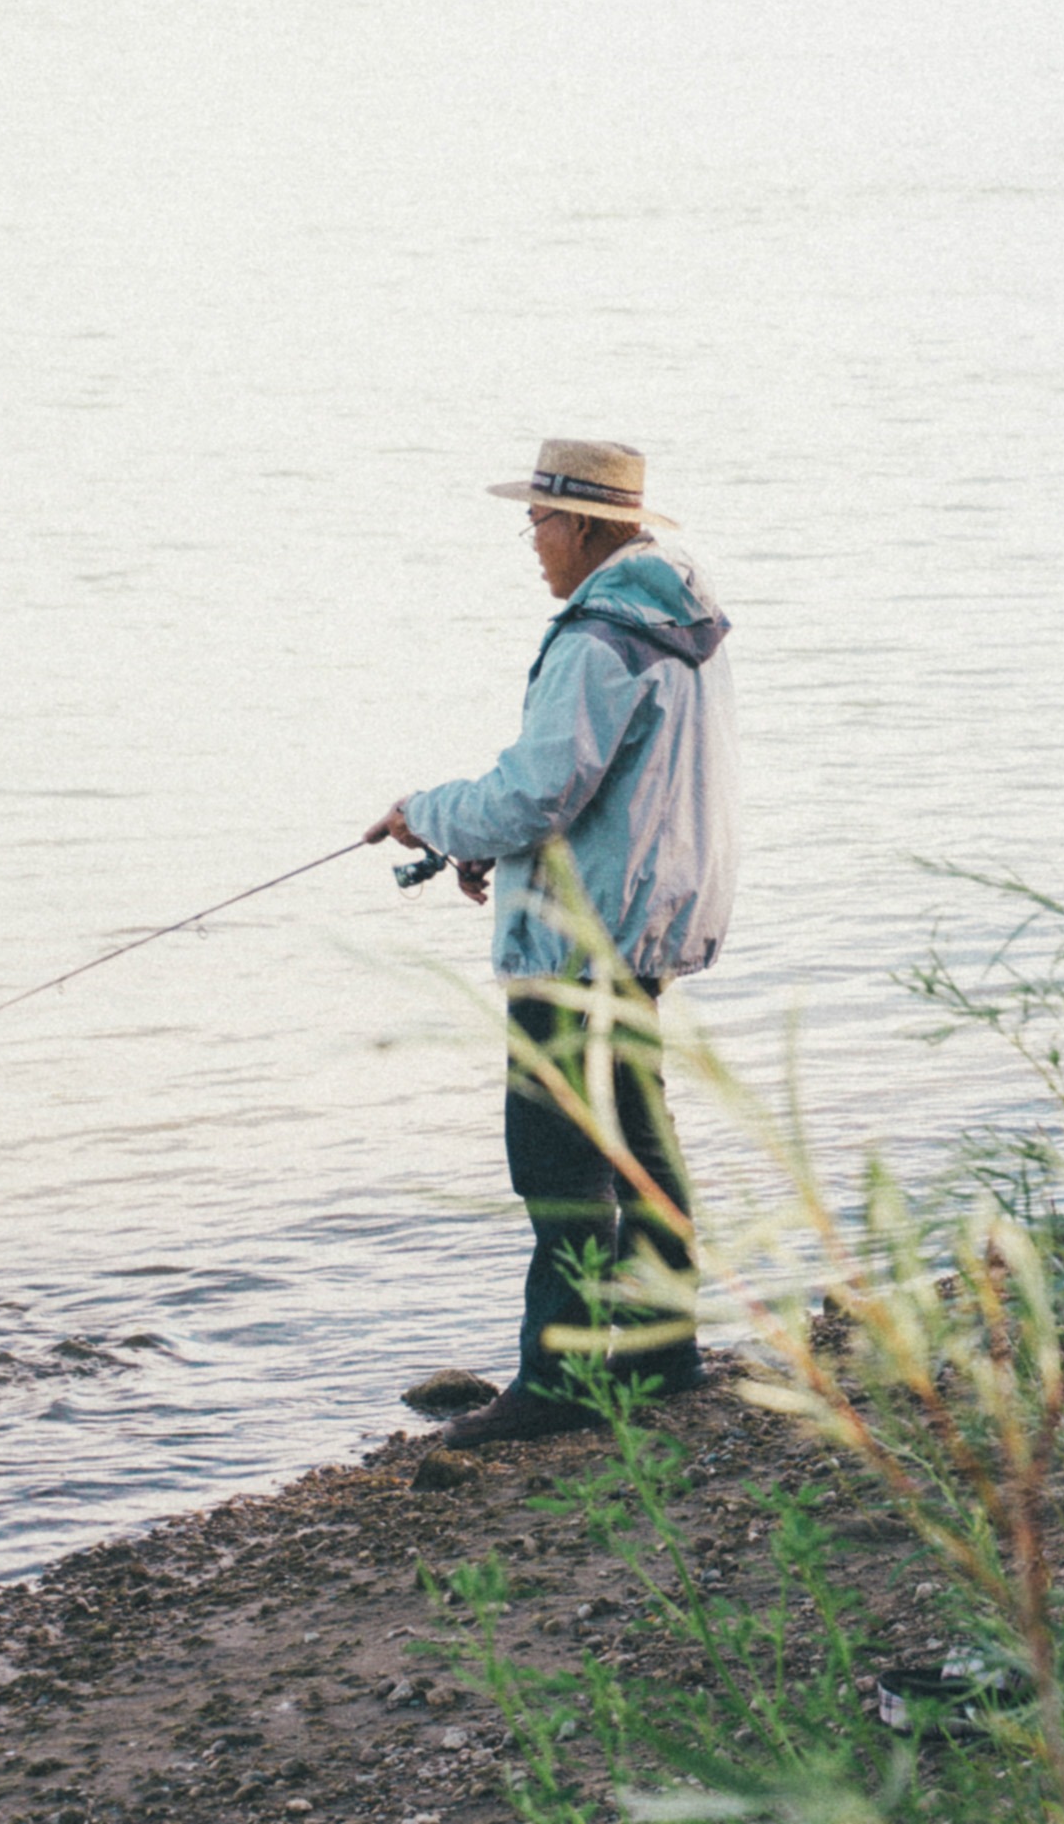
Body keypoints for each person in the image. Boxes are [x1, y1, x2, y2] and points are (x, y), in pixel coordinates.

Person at [365, 438, 740, 1448]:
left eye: (535, 521)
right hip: (640, 921)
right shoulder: (674, 621)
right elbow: (605, 793)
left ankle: (559, 1381)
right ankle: (661, 1354)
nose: (530, 543)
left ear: (577, 523)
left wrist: (426, 815)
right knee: (638, 1140)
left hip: (580, 941)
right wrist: (494, 850)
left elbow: (537, 787)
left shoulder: (597, 636)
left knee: (557, 1158)